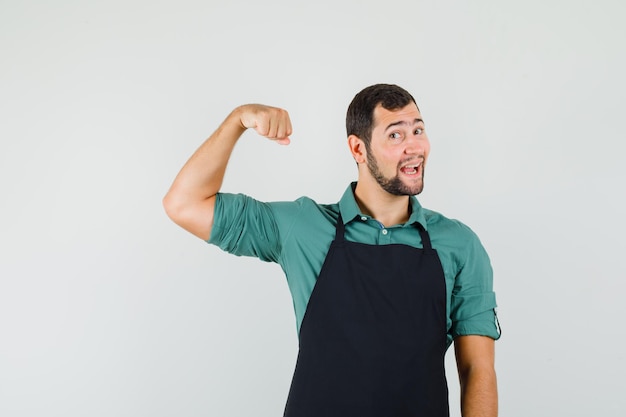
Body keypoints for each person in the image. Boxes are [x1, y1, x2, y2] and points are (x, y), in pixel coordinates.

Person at [163, 84, 501, 417]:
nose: (414, 146)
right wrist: (237, 120)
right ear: (358, 149)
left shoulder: (459, 244)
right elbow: (184, 204)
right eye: (396, 135)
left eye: (418, 130)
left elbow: (477, 369)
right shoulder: (304, 227)